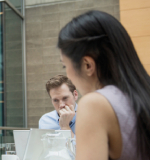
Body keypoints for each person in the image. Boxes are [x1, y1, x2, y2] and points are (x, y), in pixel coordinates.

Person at [58, 10, 150, 159]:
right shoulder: (142, 93)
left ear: (87, 65)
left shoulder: (95, 104)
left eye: (64, 66)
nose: (67, 75)